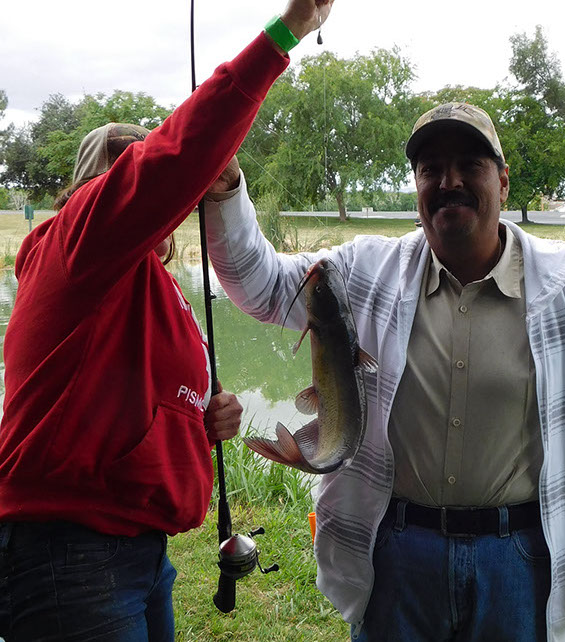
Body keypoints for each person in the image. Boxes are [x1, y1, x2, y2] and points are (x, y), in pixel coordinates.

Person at [204, 102, 565, 641]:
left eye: (470, 165)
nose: (448, 181)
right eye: (431, 168)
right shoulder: (363, 271)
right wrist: (226, 193)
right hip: (395, 548)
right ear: (417, 186)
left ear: (503, 183)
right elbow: (262, 285)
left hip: (520, 554)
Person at [0, 1, 332, 639]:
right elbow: (175, 157)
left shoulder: (157, 289)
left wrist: (200, 421)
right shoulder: (76, 244)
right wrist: (285, 32)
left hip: (140, 553)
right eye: (127, 177)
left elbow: (130, 402)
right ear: (91, 193)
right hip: (70, 553)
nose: (148, 194)